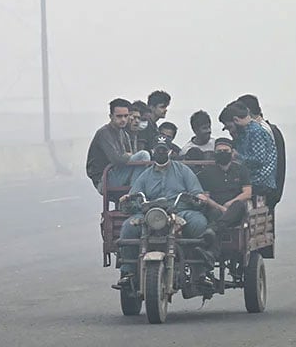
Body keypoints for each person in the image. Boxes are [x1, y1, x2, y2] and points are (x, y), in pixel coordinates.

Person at [117, 135, 212, 287]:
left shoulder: (183, 170)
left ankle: (201, 272)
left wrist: (198, 197)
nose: (160, 153)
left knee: (199, 222)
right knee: (128, 226)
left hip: (180, 212)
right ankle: (128, 272)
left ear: (170, 152)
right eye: (157, 150)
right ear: (153, 151)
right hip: (151, 214)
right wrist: (128, 198)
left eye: (164, 150)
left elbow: (195, 191)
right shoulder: (145, 175)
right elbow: (135, 194)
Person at [86, 98, 151, 194]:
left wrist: (127, 155)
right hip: (104, 180)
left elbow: (130, 156)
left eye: (126, 116)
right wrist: (127, 156)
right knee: (143, 155)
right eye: (119, 116)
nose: (123, 119)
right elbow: (117, 159)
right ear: (111, 116)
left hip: (118, 174)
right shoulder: (104, 133)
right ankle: (133, 196)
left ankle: (136, 194)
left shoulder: (124, 134)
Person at [219, 101, 277, 200]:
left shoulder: (255, 132)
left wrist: (237, 156)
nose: (230, 131)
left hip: (260, 182)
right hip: (254, 181)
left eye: (229, 127)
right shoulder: (245, 133)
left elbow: (259, 160)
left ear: (236, 120)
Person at [236, 94, 286, 209]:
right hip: (271, 189)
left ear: (247, 111)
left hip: (266, 189)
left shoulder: (260, 130)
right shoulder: (268, 128)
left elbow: (269, 163)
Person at [197, 138, 252, 230]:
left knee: (239, 205)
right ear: (215, 153)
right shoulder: (206, 172)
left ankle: (218, 226)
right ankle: (220, 225)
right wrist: (220, 207)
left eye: (226, 151)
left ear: (232, 152)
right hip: (216, 208)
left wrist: (228, 204)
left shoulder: (241, 169)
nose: (223, 153)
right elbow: (206, 197)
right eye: (219, 151)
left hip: (235, 209)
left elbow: (247, 193)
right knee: (214, 212)